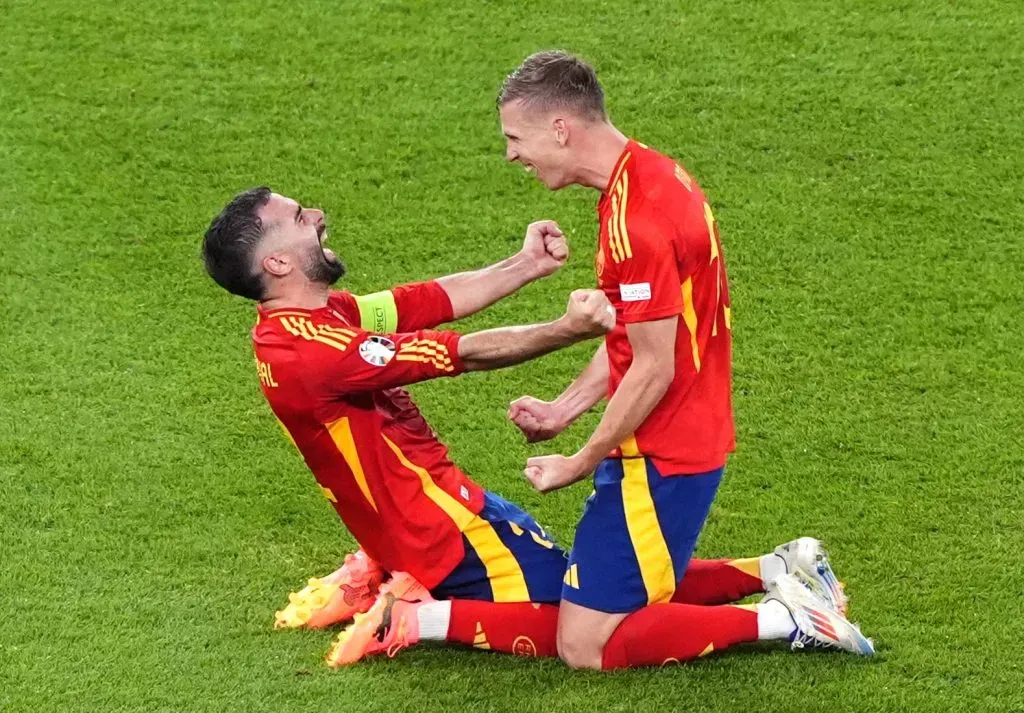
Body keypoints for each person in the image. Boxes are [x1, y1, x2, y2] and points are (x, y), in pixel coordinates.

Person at [202, 187, 859, 668]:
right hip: (448, 532)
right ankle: (785, 616)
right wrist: (567, 328)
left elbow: (427, 301)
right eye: (296, 218)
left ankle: (779, 564)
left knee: (595, 585)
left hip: (422, 527)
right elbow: (467, 351)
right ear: (278, 264)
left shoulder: (312, 321)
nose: (317, 215)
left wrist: (525, 266)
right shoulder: (313, 353)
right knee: (586, 628)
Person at [499, 50, 874, 669]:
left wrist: (580, 458)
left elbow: (653, 366)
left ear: (560, 128)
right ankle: (780, 567)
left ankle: (786, 620)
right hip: (678, 434)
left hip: (662, 452)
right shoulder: (651, 174)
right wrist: (563, 408)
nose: (513, 153)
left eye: (516, 137)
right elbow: (641, 334)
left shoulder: (637, 219)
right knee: (619, 584)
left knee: (584, 644)